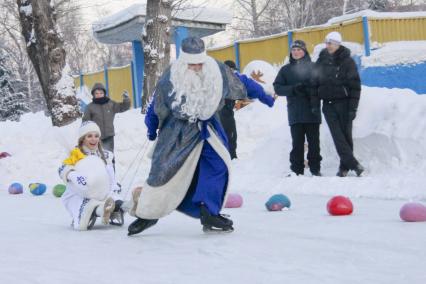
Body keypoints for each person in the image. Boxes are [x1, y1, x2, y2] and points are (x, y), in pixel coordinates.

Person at [127, 37, 247, 236]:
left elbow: (239, 83)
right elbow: (155, 107)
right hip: (177, 133)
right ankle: (147, 215)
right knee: (163, 171)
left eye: (200, 63)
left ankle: (209, 212)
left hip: (206, 130)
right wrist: (152, 128)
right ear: (184, 62)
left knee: (217, 165)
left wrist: (265, 95)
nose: (197, 67)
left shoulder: (213, 70)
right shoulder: (169, 78)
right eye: (193, 64)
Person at [313, 32, 364, 177]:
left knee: (346, 136)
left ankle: (344, 168)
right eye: (327, 43)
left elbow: (355, 86)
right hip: (328, 105)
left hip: (344, 103)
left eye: (331, 43)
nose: (328, 46)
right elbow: (314, 82)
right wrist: (315, 103)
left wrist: (353, 108)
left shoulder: (347, 61)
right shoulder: (321, 61)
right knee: (337, 136)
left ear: (338, 44)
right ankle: (354, 164)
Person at [58, 121, 125, 230]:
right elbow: (62, 168)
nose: (93, 139)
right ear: (83, 139)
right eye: (89, 136)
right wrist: (73, 175)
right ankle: (104, 210)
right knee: (88, 205)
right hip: (81, 192)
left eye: (96, 136)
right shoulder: (76, 154)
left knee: (114, 198)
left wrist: (113, 184)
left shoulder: (104, 155)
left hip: (101, 190)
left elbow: (109, 172)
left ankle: (127, 206)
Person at [273, 40, 322, 176]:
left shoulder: (314, 67)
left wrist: (312, 89)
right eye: (293, 50)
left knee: (314, 143)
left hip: (313, 111)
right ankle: (297, 170)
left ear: (304, 51)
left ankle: (315, 168)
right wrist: (294, 89)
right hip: (295, 112)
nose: (296, 52)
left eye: (299, 49)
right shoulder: (286, 70)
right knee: (297, 143)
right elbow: (277, 87)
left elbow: (323, 85)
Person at [219, 60, 275, 159]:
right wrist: (269, 101)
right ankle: (230, 157)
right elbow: (256, 89)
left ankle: (225, 156)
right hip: (224, 111)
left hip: (214, 111)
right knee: (229, 133)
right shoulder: (239, 78)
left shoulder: (216, 78)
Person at [82, 83, 130, 152]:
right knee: (98, 157)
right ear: (93, 95)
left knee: (109, 156)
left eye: (101, 93)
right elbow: (85, 122)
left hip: (109, 136)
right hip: (95, 137)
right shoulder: (90, 107)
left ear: (104, 93)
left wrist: (126, 99)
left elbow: (123, 107)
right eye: (97, 93)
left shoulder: (110, 104)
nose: (99, 95)